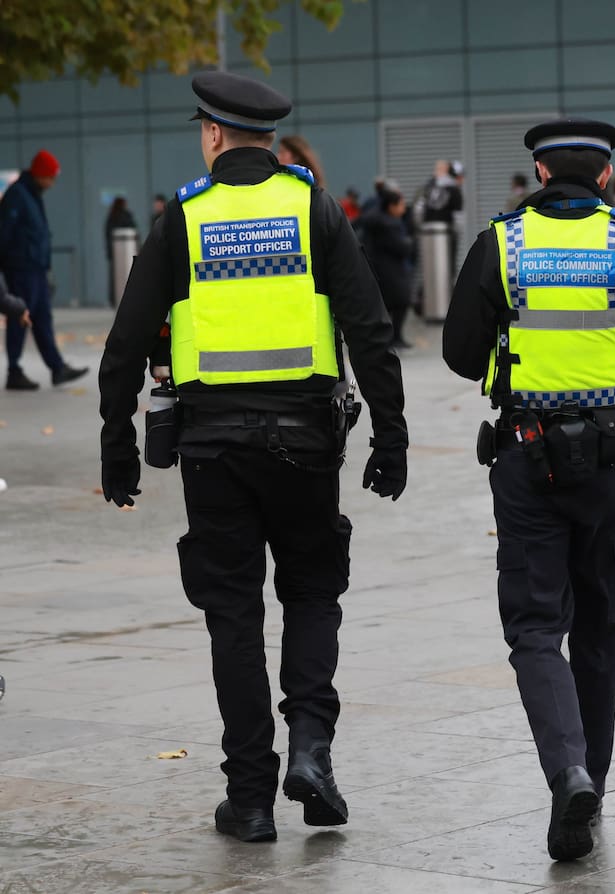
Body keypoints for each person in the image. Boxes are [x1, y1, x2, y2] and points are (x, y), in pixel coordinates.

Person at [97, 71, 409, 844]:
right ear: (267, 139)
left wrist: (117, 447)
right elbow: (370, 329)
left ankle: (251, 799)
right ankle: (312, 748)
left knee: (232, 616)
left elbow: (126, 343)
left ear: (211, 134)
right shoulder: (313, 208)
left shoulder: (184, 218)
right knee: (311, 593)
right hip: (306, 443)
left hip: (211, 450)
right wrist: (391, 437)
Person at [443, 119, 615, 862]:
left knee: (534, 626)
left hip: (525, 457)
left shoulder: (501, 243)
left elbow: (459, 354)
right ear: (606, 178)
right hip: (611, 461)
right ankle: (591, 792)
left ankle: (566, 772)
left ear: (540, 176)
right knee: (601, 628)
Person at [0, 149, 88, 390]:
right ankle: (14, 372)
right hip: (20, 269)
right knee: (20, 316)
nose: (53, 181)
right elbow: (4, 234)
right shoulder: (18, 195)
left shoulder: (31, 193)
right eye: (51, 176)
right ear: (40, 174)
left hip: (34, 269)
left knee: (41, 319)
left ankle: (57, 368)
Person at [358, 189, 416, 348]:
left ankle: (390, 337)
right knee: (401, 301)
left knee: (387, 304)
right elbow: (402, 247)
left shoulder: (376, 221)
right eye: (401, 205)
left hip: (380, 268)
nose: (404, 208)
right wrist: (410, 243)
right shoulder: (389, 224)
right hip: (391, 271)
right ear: (391, 206)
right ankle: (394, 337)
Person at [417, 159, 464, 265]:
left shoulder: (428, 187)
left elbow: (418, 210)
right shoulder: (454, 190)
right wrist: (456, 233)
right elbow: (458, 218)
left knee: (431, 264)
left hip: (428, 233)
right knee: (447, 265)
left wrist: (422, 228)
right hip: (446, 234)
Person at [104, 196, 138, 307]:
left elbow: (107, 235)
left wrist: (109, 253)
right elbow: (134, 230)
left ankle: (115, 299)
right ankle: (128, 298)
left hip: (115, 254)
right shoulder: (126, 216)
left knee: (115, 277)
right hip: (128, 253)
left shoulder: (111, 217)